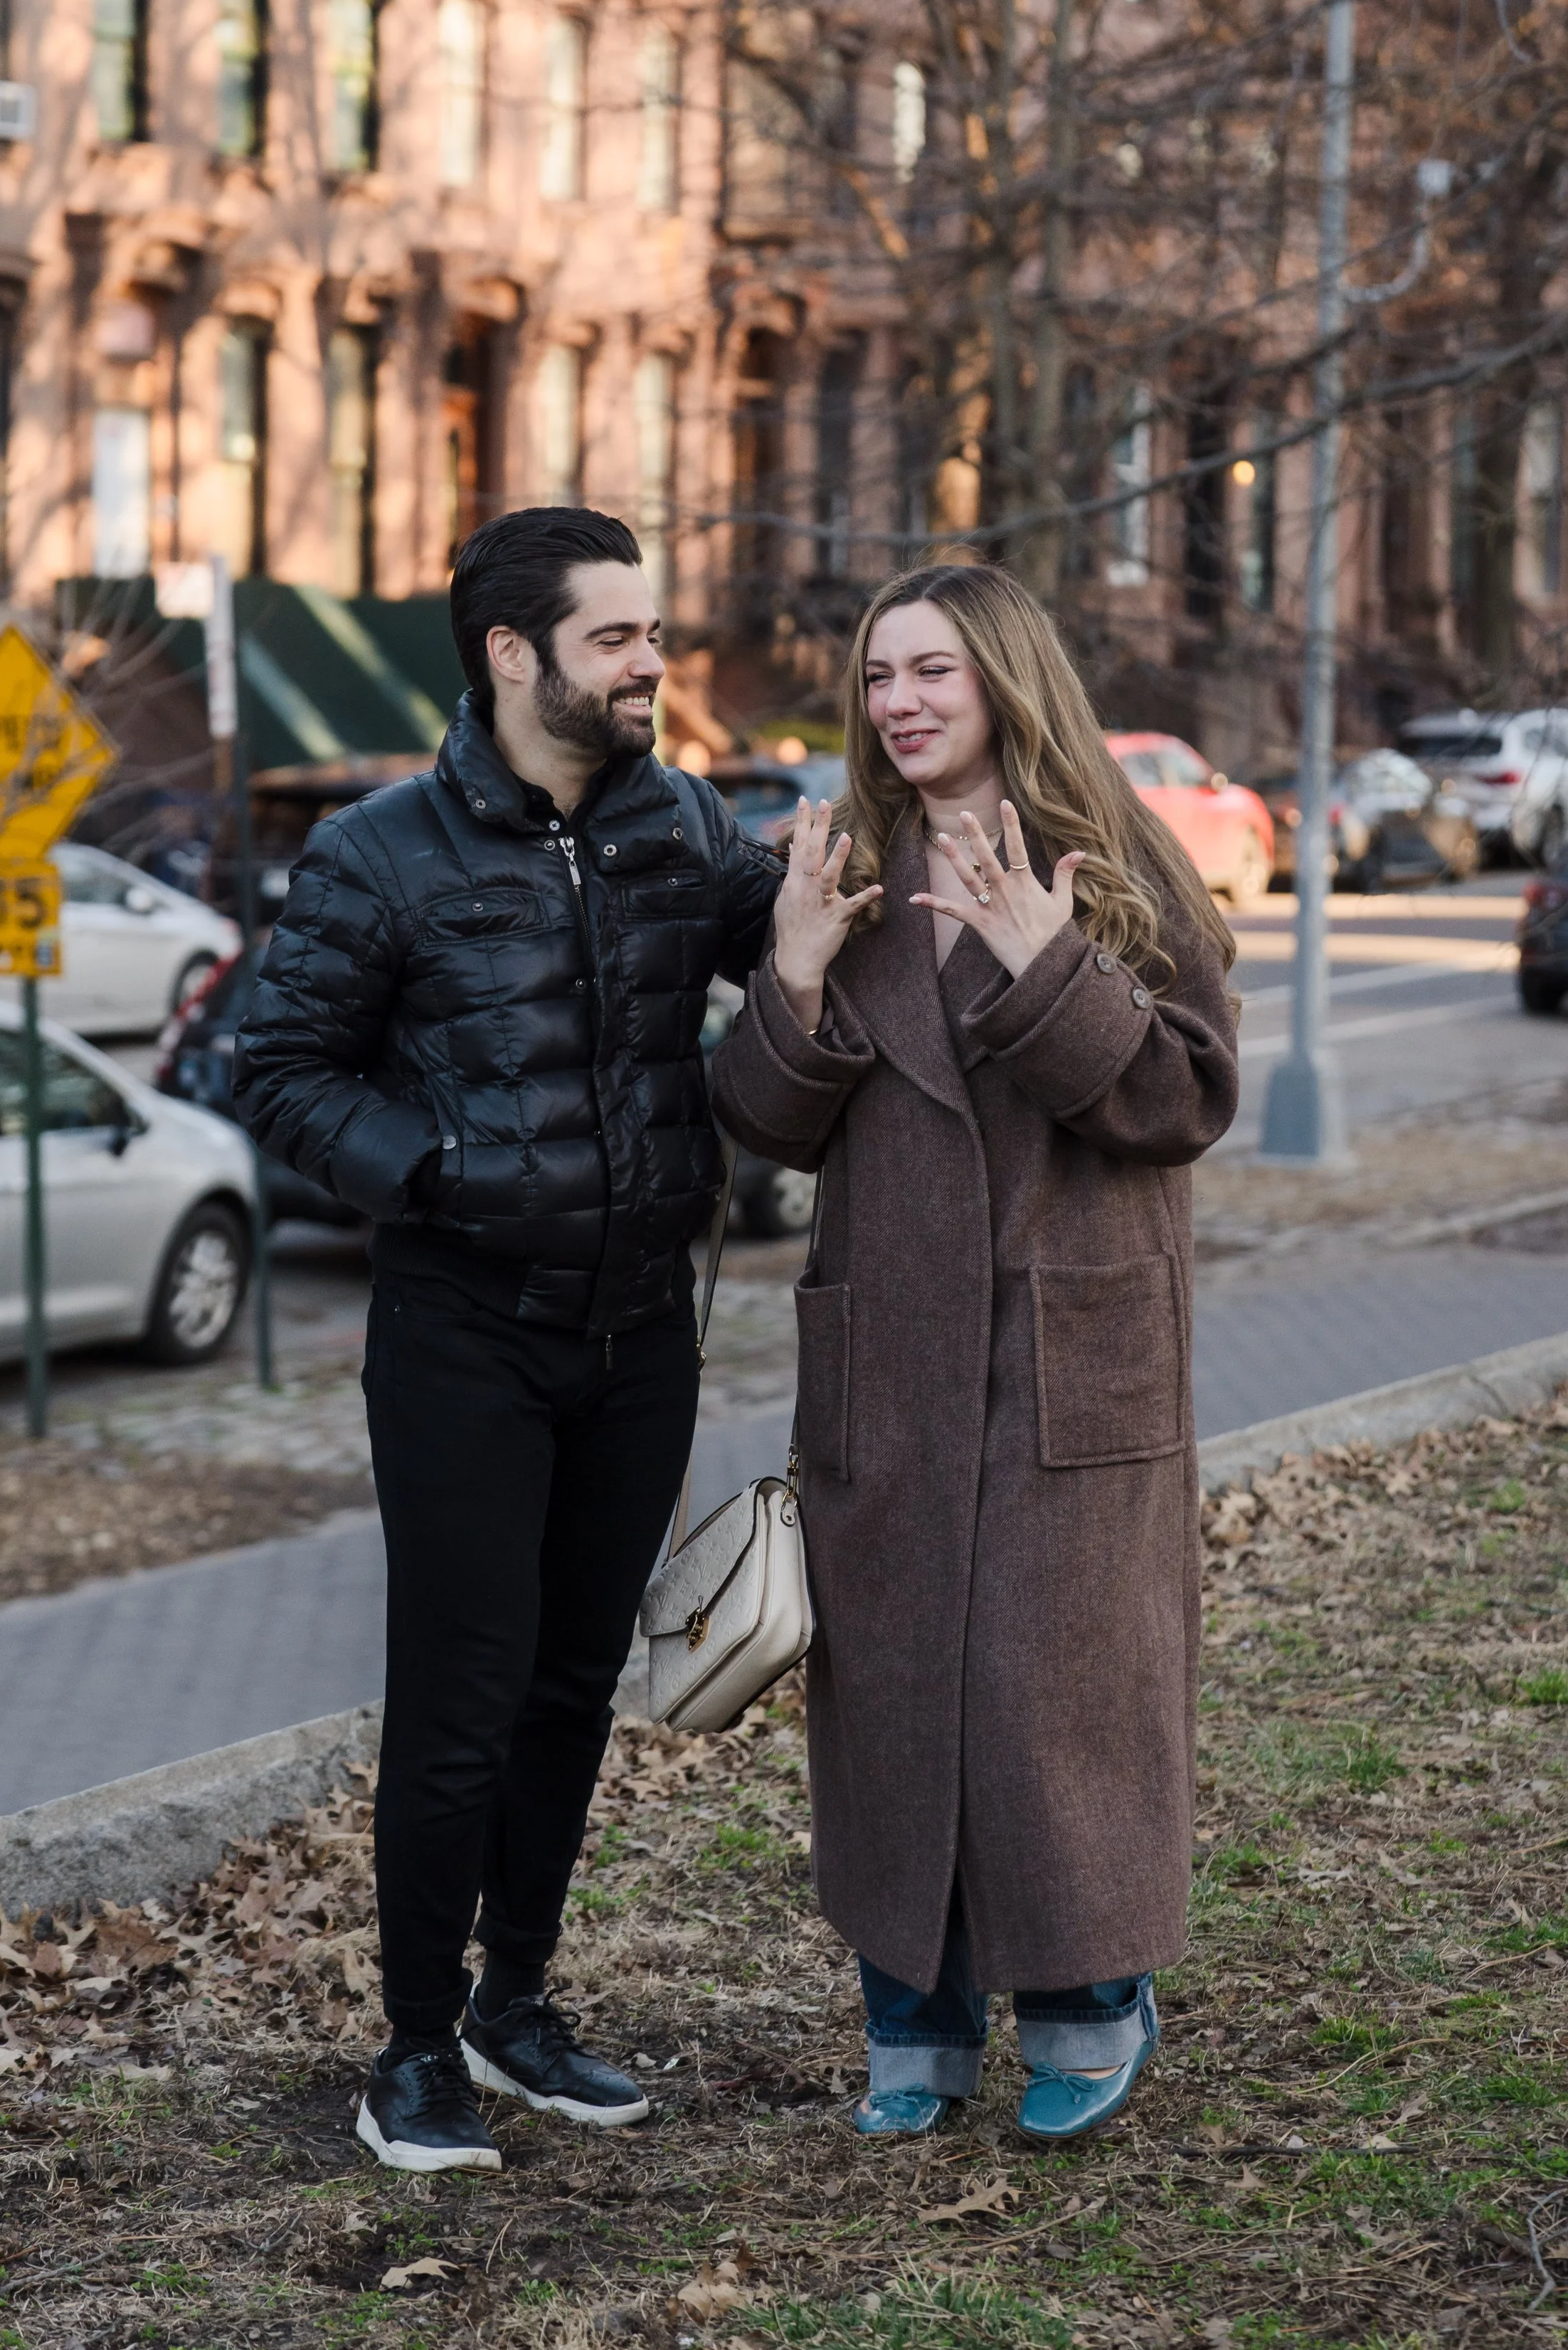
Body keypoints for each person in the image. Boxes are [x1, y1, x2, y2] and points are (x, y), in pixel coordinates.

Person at [233, 507, 780, 2173]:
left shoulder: (682, 825)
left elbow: (817, 947)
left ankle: (516, 2005)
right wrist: (446, 1174)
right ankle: (410, 2051)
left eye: (654, 633)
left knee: (568, 1690)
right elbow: (275, 1073)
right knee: (458, 1701)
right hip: (463, 1332)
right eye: (619, 637)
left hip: (639, 1332)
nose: (652, 663)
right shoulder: (380, 852)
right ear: (511, 653)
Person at [711, 561, 1240, 2144]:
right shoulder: (838, 868)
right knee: (886, 1693)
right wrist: (792, 974)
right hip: (890, 1354)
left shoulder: (1122, 860)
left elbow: (1179, 1105)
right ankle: (912, 2009)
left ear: (1005, 678)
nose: (900, 705)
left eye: (930, 672)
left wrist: (1042, 963)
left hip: (1073, 1353)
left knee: (1048, 1690)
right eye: (878, 678)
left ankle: (1087, 1993)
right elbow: (762, 1128)